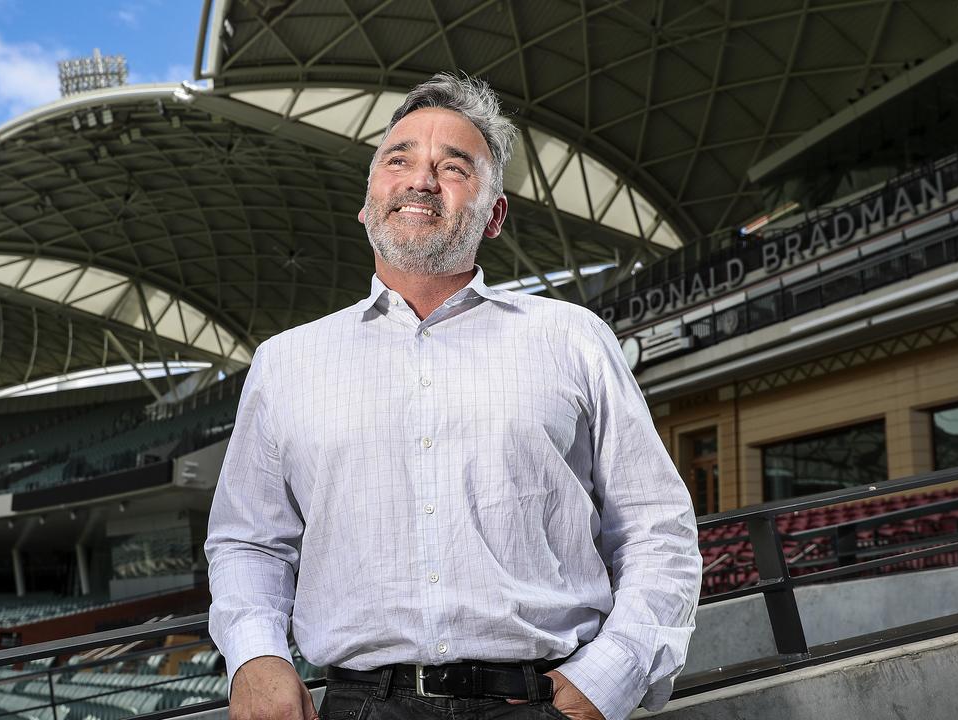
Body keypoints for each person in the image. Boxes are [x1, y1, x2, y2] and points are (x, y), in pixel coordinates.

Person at [206, 72, 702, 720]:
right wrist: (254, 655)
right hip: (361, 707)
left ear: (494, 215)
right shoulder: (284, 364)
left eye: (453, 166)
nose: (420, 179)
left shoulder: (573, 339)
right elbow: (248, 541)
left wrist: (611, 678)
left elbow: (657, 528)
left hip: (542, 703)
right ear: (367, 201)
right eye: (399, 159)